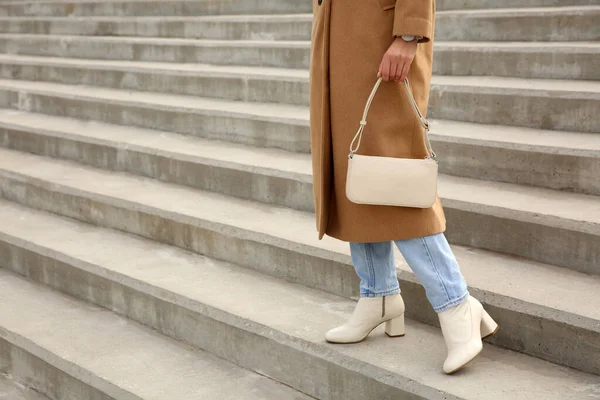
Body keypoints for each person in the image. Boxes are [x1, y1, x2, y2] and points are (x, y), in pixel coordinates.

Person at [309, 0, 498, 374]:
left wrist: (408, 34)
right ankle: (378, 295)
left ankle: (456, 303)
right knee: (358, 175)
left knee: (396, 180)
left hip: (382, 39)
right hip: (339, 38)